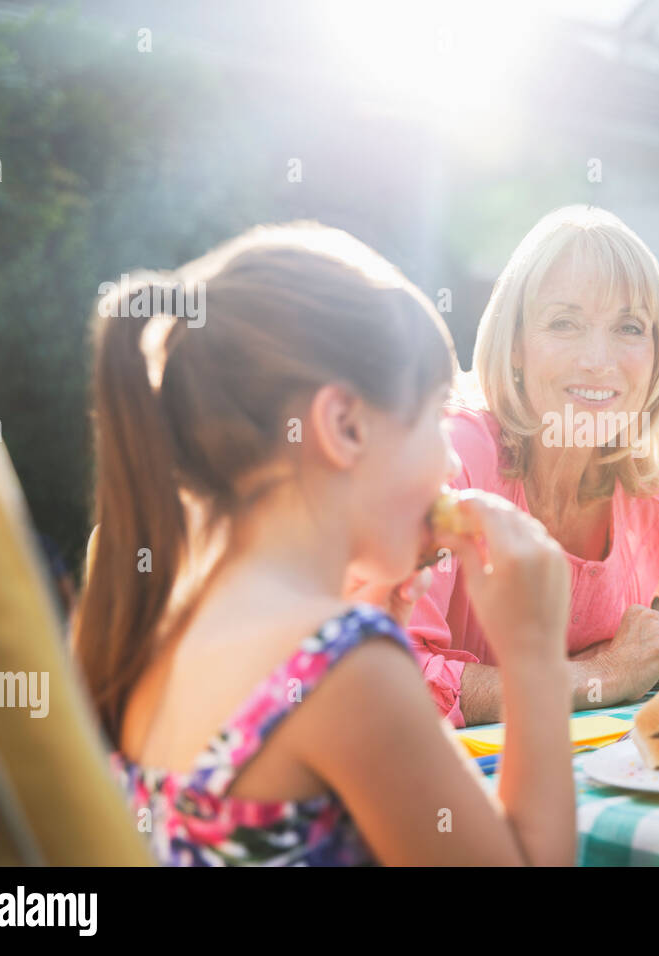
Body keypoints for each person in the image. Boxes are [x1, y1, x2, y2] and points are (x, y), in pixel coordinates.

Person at [73, 223, 575, 865]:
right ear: (344, 425)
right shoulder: (343, 670)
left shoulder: (153, 628)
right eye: (437, 415)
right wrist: (533, 655)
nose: (452, 463)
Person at [392, 207, 659, 727]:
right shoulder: (454, 459)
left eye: (628, 327)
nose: (599, 359)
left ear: (657, 352)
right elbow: (394, 677)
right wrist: (604, 673)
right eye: (564, 323)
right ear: (514, 346)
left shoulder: (647, 479)